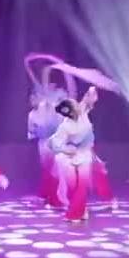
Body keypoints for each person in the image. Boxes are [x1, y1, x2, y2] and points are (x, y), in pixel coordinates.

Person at [48, 86, 101, 222]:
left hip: (85, 156)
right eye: (74, 105)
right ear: (71, 111)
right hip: (70, 158)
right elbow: (53, 143)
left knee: (82, 185)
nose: (78, 105)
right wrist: (65, 149)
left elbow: (89, 99)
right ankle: (81, 210)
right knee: (73, 186)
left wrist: (91, 91)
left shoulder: (83, 111)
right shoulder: (65, 126)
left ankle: (73, 214)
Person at [27, 84, 66, 207]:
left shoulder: (51, 107)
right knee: (47, 170)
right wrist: (38, 131)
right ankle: (48, 196)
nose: (32, 100)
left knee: (56, 170)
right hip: (43, 143)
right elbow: (32, 132)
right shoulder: (32, 115)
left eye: (35, 97)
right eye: (31, 98)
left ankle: (56, 197)